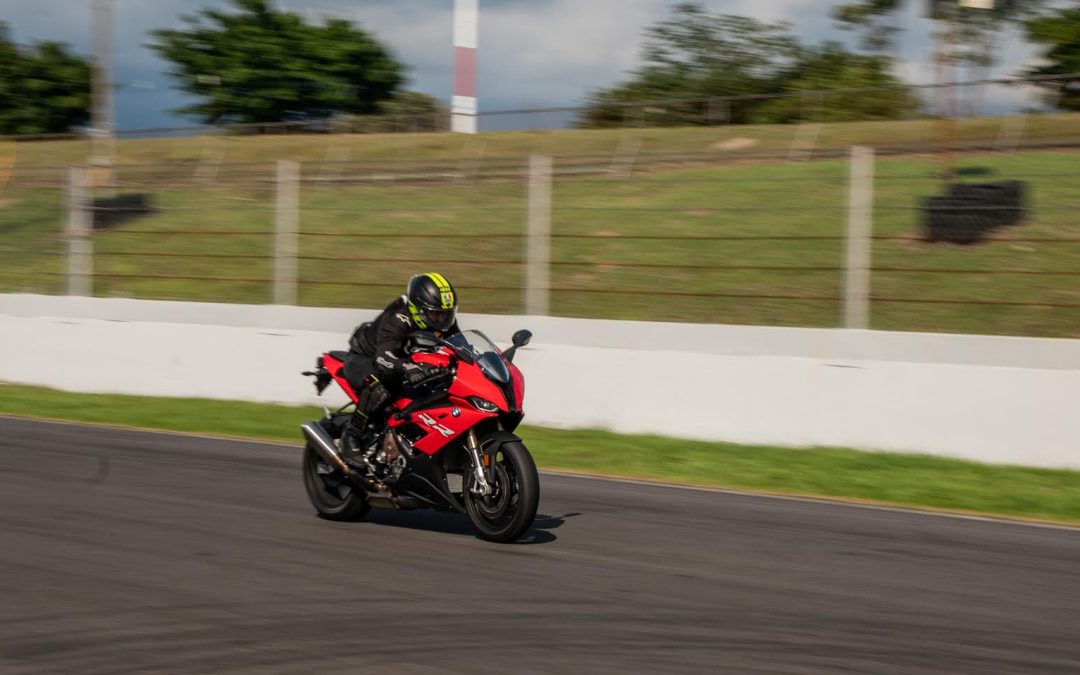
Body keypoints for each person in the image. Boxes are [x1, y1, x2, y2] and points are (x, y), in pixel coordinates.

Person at [341, 272, 460, 455]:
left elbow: (459, 346)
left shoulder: (443, 320)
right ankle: (352, 435)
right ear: (418, 308)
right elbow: (383, 358)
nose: (441, 320)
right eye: (435, 315)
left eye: (446, 315)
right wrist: (408, 367)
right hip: (365, 359)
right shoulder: (398, 317)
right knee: (382, 385)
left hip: (402, 360)